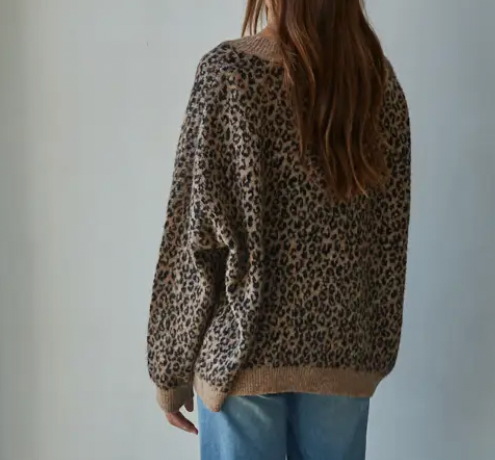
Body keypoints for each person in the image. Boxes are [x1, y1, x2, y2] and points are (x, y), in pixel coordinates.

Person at [147, 0, 410, 458]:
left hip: (243, 353)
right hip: (342, 352)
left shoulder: (228, 74)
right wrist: (372, 353)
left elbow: (194, 233)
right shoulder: (376, 83)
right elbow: (390, 240)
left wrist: (169, 368)